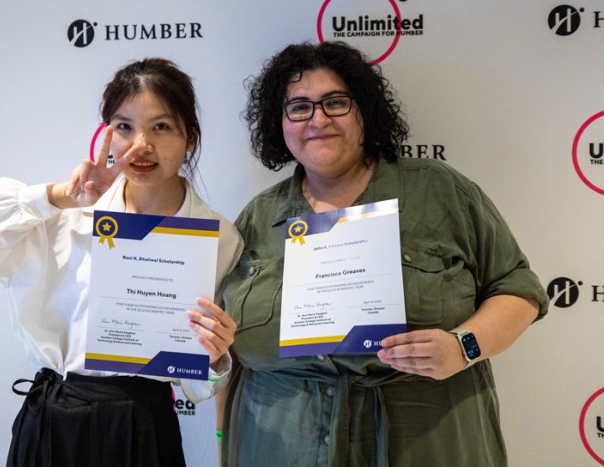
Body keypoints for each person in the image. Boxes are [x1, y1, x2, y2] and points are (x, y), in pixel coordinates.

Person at [220, 41, 549, 467]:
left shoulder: (439, 190)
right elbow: (227, 345)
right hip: (280, 447)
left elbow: (519, 291)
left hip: (427, 442)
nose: (318, 119)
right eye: (299, 107)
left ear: (364, 110)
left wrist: (462, 346)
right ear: (279, 123)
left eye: (335, 103)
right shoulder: (259, 217)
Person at [0, 58, 243, 467]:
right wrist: (59, 196)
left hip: (143, 427)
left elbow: (194, 385)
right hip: (54, 421)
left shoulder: (218, 236)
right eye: (124, 127)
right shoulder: (68, 213)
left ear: (190, 137)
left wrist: (214, 358)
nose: (141, 145)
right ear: (107, 135)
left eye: (161, 127)